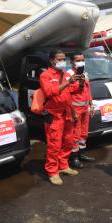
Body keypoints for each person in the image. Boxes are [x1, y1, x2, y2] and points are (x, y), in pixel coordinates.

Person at [39, 50, 81, 185]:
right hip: (54, 115)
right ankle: (52, 171)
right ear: (52, 60)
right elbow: (50, 92)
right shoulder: (45, 75)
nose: (63, 61)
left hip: (67, 113)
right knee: (54, 145)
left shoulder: (65, 74)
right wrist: (68, 82)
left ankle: (63, 166)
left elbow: (69, 95)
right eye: (60, 59)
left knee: (68, 141)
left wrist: (73, 112)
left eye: (64, 59)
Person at [65, 52, 95, 169]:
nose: (81, 62)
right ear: (72, 62)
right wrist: (80, 84)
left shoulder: (85, 73)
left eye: (82, 59)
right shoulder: (69, 75)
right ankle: (74, 158)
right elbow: (69, 91)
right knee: (75, 134)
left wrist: (91, 104)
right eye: (78, 60)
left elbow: (88, 90)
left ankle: (81, 154)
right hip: (75, 109)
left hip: (85, 108)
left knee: (84, 133)